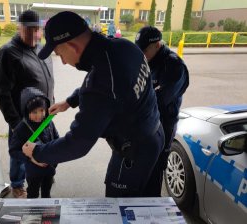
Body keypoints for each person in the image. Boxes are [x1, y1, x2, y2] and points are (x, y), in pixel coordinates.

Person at [22, 11, 164, 197]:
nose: (63, 62)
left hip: (134, 152)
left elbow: (78, 142)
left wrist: (39, 152)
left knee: (120, 207)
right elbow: (112, 89)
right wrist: (70, 102)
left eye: (60, 54)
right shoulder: (123, 47)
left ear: (72, 46)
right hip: (155, 135)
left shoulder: (101, 80)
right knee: (149, 201)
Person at [0, 10, 57, 198]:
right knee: (20, 151)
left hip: (44, 113)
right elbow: (1, 92)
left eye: (37, 29)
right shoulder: (8, 53)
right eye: (29, 29)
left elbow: (49, 78)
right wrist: (15, 123)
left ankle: (43, 175)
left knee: (44, 143)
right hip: (23, 117)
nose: (34, 34)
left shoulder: (41, 49)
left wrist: (51, 102)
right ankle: (17, 183)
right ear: (19, 28)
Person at [135, 26, 189, 196]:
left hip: (163, 125)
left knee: (155, 169)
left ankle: (152, 209)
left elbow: (157, 100)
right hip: (144, 123)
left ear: (157, 45)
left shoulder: (174, 66)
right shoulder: (145, 60)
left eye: (144, 50)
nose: (141, 54)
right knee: (141, 168)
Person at [9, 87, 58, 198]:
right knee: (33, 193)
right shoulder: (21, 128)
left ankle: (47, 210)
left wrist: (54, 160)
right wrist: (31, 159)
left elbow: (56, 139)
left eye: (42, 110)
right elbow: (13, 151)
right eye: (34, 112)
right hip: (33, 170)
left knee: (47, 192)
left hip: (49, 168)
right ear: (27, 111)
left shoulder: (48, 123)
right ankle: (32, 212)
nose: (39, 115)